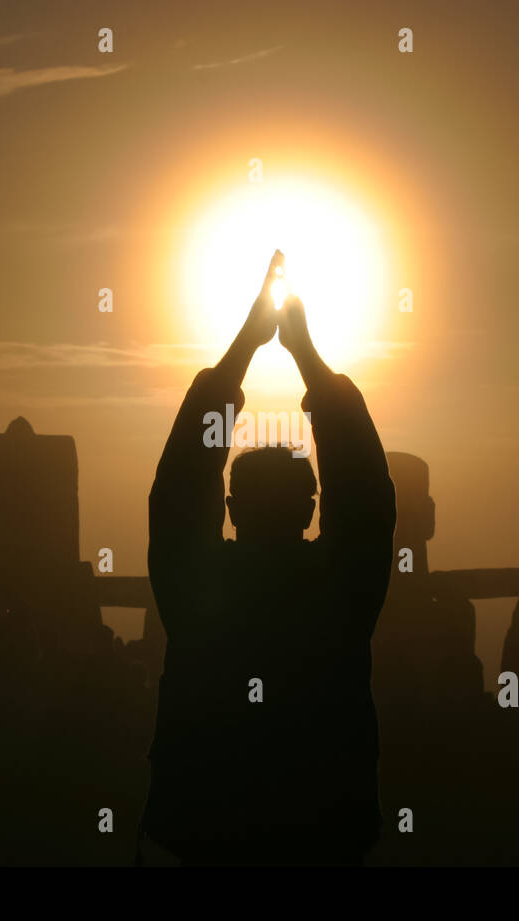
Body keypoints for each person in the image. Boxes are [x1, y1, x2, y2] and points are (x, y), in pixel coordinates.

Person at [140, 251, 396, 865]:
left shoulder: (198, 592)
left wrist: (243, 351)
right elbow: (366, 497)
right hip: (322, 831)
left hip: (204, 831)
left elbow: (176, 489)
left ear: (229, 506)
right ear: (313, 509)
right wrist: (308, 358)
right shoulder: (340, 595)